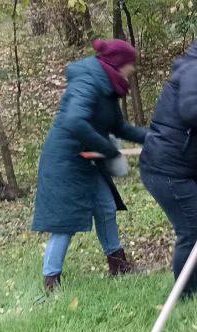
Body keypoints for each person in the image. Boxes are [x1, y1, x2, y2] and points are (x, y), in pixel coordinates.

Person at [32, 39, 147, 291]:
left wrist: (152, 137)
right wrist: (107, 149)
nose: (132, 69)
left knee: (105, 207)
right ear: (119, 63)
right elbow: (75, 121)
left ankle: (118, 265)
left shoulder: (107, 86)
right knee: (64, 222)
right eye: (130, 63)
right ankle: (51, 282)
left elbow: (119, 126)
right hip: (66, 161)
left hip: (90, 160)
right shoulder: (88, 81)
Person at [140, 23, 197, 299]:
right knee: (191, 229)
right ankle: (190, 292)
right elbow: (192, 109)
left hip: (181, 166)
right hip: (168, 168)